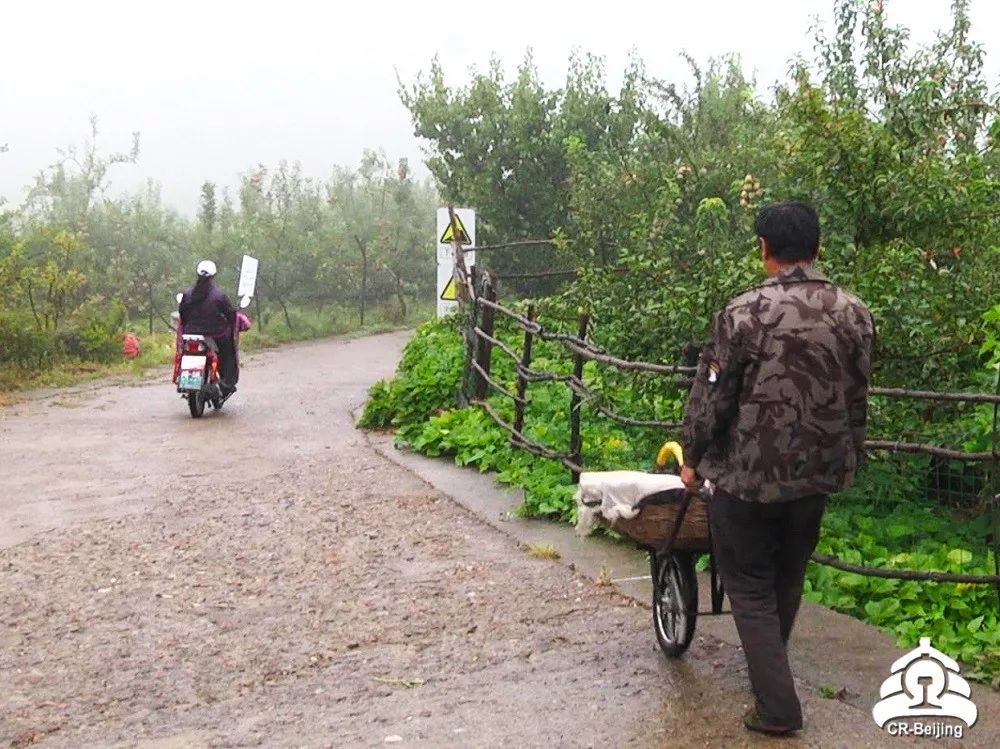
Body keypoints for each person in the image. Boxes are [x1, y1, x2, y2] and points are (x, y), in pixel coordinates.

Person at [680, 201, 875, 736]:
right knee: (788, 575)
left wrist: (692, 458)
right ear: (816, 248)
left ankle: (778, 707)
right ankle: (772, 679)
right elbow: (858, 393)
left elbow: (712, 397)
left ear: (763, 248)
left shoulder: (744, 313)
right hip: (817, 474)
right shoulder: (853, 312)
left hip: (748, 476)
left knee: (747, 584)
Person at [178, 260, 239, 394]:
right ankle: (226, 383)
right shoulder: (219, 295)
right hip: (216, 335)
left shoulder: (187, 294)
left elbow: (182, 314)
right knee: (228, 354)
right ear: (213, 276)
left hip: (191, 333)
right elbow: (230, 315)